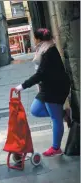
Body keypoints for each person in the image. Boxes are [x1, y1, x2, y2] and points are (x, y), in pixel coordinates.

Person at [14, 28, 71, 157]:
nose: (34, 41)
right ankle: (64, 114)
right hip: (47, 87)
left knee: (55, 119)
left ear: (39, 39)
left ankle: (56, 148)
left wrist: (22, 86)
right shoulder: (44, 49)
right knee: (35, 110)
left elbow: (41, 74)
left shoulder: (49, 51)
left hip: (55, 88)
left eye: (34, 38)